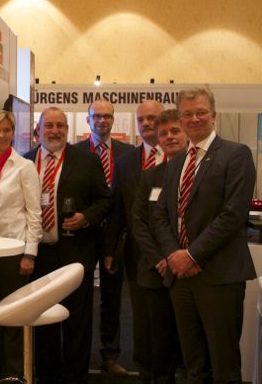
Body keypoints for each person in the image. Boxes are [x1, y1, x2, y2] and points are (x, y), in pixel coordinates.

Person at [153, 87, 256, 383]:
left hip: (219, 275)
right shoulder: (176, 163)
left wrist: (191, 255)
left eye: (200, 112)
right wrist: (175, 255)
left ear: (213, 115)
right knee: (192, 363)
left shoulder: (236, 155)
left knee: (224, 364)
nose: (194, 118)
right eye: (188, 114)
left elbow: (232, 215)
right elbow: (161, 215)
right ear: (181, 119)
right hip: (181, 278)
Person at [23, 107, 112, 384]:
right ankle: (46, 376)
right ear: (38, 130)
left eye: (60, 125)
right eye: (49, 125)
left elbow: (105, 200)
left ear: (67, 129)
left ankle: (75, 377)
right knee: (43, 318)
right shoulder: (25, 161)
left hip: (76, 253)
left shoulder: (86, 160)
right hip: (38, 254)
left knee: (77, 321)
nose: (55, 131)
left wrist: (86, 217)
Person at [0, 110, 42, 382]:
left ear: (13, 133)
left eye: (6, 130)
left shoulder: (24, 167)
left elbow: (34, 213)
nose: (1, 135)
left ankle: (15, 374)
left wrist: (30, 253)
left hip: (15, 252)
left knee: (13, 316)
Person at [103, 99, 165, 380]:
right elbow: (117, 210)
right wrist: (110, 250)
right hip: (137, 254)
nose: (146, 124)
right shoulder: (125, 162)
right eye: (141, 120)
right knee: (142, 318)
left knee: (172, 318)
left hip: (176, 254)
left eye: (152, 118)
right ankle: (146, 371)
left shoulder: (178, 156)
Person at [74, 99, 134, 376]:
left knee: (112, 298)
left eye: (107, 116)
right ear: (88, 120)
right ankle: (79, 357)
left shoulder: (128, 153)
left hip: (115, 236)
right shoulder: (74, 152)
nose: (102, 120)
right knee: (80, 297)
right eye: (96, 116)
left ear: (113, 119)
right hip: (82, 234)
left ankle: (110, 356)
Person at [131, 109, 186, 384]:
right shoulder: (151, 176)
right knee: (157, 339)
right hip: (156, 271)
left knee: (188, 340)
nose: (169, 137)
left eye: (175, 131)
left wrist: (180, 257)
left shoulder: (200, 173)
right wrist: (159, 259)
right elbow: (138, 220)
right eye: (164, 133)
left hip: (190, 268)